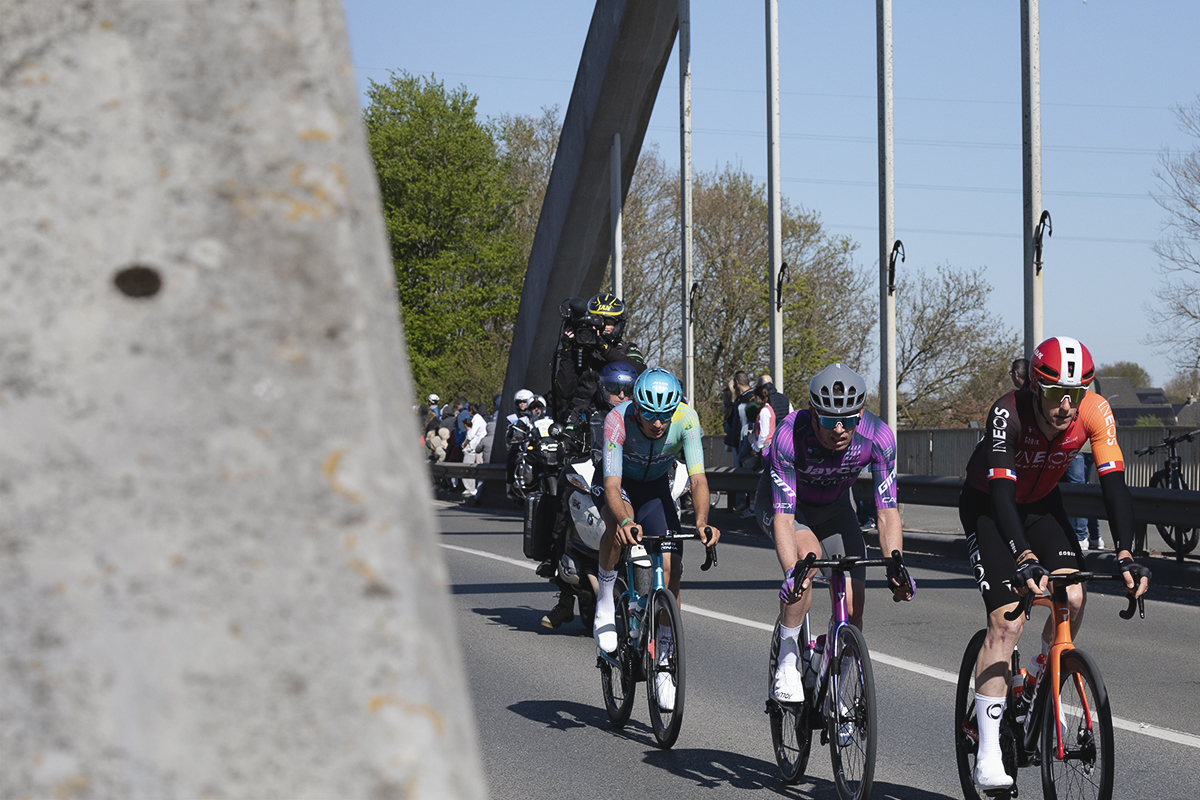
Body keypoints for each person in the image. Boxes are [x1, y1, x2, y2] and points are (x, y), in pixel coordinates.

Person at [959, 336, 1151, 792]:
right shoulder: (1008, 410)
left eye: (1076, 394)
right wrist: (1023, 555)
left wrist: (1125, 551)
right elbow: (1003, 494)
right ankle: (988, 751)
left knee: (1074, 594)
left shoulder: (1095, 411)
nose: (1066, 406)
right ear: (1035, 388)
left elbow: (1114, 484)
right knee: (1007, 623)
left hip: (1044, 504)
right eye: (1054, 395)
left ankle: (1038, 678)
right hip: (990, 506)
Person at [754, 363, 913, 705]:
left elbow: (886, 511)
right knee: (806, 561)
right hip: (786, 507)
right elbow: (783, 518)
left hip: (836, 509)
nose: (839, 429)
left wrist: (896, 565)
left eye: (848, 419)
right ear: (813, 414)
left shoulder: (879, 437)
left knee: (853, 609)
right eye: (828, 420)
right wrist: (791, 573)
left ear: (860, 414)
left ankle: (833, 681)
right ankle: (787, 659)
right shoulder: (788, 435)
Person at [592, 367, 720, 710]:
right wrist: (624, 520)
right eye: (650, 416)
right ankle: (605, 599)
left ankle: (664, 662)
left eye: (664, 416)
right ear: (637, 408)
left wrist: (703, 521)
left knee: (671, 566)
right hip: (618, 484)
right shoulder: (617, 421)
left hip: (654, 488)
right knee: (619, 532)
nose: (658, 424)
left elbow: (698, 480)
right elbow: (611, 486)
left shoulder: (687, 419)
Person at [540, 361, 641, 629]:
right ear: (601, 388)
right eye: (615, 389)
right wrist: (566, 448)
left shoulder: (638, 414)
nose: (621, 395)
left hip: (628, 481)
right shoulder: (585, 412)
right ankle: (564, 598)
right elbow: (568, 439)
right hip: (591, 477)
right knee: (563, 512)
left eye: (627, 390)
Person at [552, 293, 647, 424]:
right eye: (599, 321)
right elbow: (565, 392)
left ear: (618, 325)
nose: (603, 328)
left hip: (619, 416)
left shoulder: (626, 349)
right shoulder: (578, 349)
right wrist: (567, 351)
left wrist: (603, 348)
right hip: (582, 418)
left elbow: (641, 371)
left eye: (608, 322)